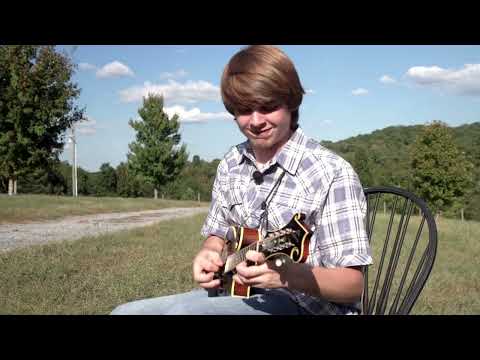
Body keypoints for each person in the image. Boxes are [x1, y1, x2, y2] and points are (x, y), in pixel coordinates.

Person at [111, 45, 372, 315]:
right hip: (238, 292)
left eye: (268, 107)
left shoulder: (330, 171)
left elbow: (354, 285)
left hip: (307, 306)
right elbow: (217, 235)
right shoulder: (231, 164)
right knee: (126, 312)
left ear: (291, 102)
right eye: (245, 110)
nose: (256, 121)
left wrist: (289, 276)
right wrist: (209, 252)